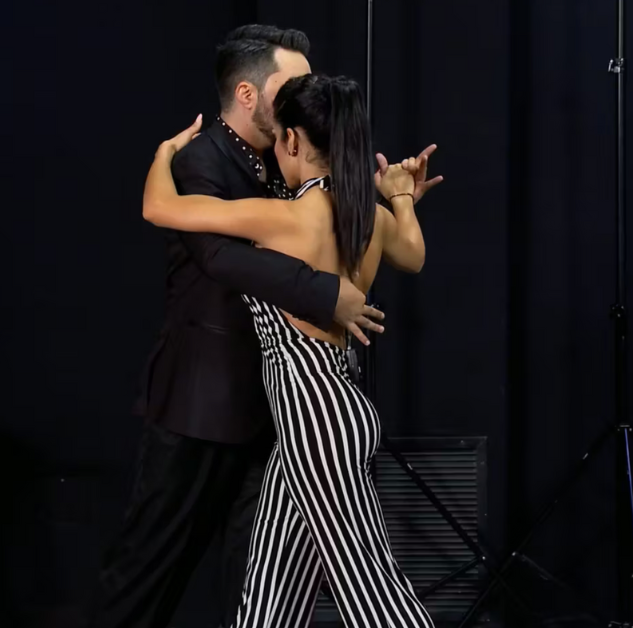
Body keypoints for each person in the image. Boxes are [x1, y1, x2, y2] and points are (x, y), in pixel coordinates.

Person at [90, 26, 391, 628]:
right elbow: (216, 256)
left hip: (283, 408)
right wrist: (324, 292)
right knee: (150, 569)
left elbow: (329, 231)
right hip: (202, 401)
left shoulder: (290, 157)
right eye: (291, 83)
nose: (303, 94)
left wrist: (387, 197)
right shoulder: (201, 159)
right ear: (248, 94)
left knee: (259, 585)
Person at [143, 73, 436, 627]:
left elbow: (159, 207)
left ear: (294, 141)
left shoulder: (285, 216)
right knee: (270, 597)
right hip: (323, 414)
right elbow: (414, 255)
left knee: (374, 594)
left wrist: (165, 152)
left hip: (314, 419)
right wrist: (400, 196)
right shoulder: (368, 217)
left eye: (278, 138)